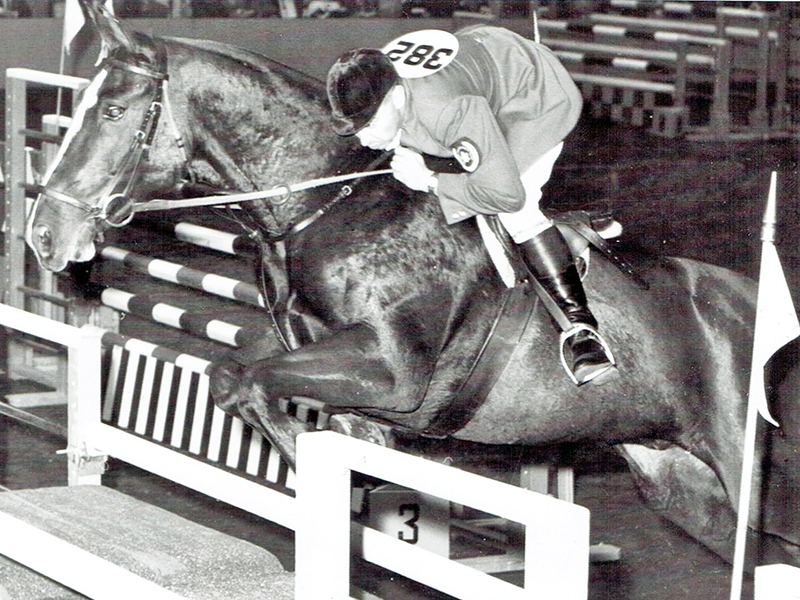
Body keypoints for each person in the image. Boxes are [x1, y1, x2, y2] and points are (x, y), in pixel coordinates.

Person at [326, 24, 614, 386]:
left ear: (397, 97)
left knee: (514, 208)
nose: (364, 139)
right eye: (354, 129)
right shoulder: (381, 82)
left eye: (368, 124)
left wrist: (430, 181)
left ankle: (581, 330)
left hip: (534, 97)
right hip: (485, 61)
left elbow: (506, 194)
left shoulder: (450, 109)